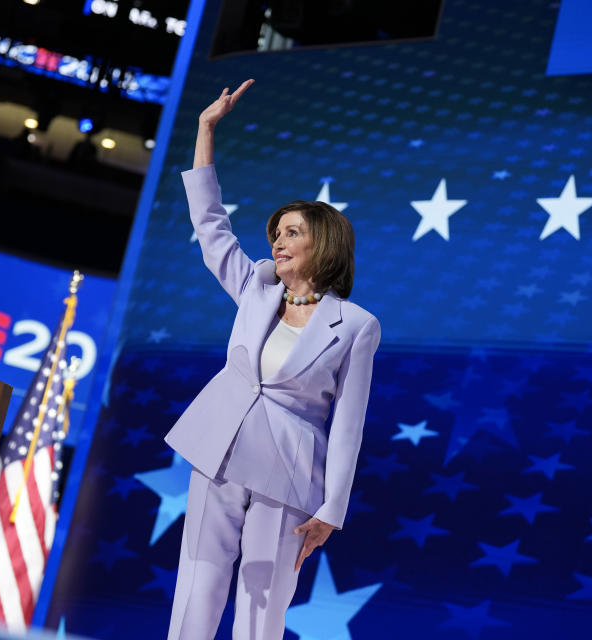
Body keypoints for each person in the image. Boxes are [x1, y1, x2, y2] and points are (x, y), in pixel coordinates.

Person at [165, 79, 381, 640]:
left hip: (288, 471)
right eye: (276, 232)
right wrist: (204, 130)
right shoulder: (255, 290)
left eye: (292, 233)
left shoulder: (356, 326)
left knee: (263, 608)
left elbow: (347, 426)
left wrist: (333, 505)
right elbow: (210, 227)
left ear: (324, 245)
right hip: (218, 447)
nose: (278, 242)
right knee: (198, 580)